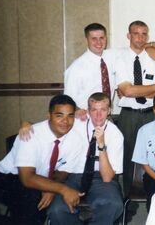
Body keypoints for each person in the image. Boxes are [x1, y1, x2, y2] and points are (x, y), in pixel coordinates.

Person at [0, 95, 84, 225]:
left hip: (41, 179)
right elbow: (26, 178)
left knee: (47, 202)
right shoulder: (31, 135)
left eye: (70, 116)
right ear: (49, 115)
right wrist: (62, 189)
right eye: (59, 115)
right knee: (33, 200)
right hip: (9, 178)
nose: (65, 121)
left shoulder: (76, 139)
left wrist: (51, 189)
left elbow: (62, 172)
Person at [64, 23, 155, 121]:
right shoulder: (76, 67)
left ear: (106, 38)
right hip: (86, 118)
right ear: (86, 40)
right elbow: (67, 99)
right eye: (94, 39)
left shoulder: (112, 55)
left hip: (107, 117)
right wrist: (77, 110)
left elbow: (140, 46)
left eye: (101, 38)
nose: (99, 42)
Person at [46, 93, 124, 225]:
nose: (98, 115)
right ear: (88, 111)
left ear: (109, 111)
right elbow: (50, 124)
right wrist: (27, 124)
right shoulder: (75, 123)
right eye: (94, 110)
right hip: (72, 175)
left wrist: (101, 146)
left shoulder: (116, 135)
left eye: (103, 110)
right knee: (57, 209)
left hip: (100, 177)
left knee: (113, 204)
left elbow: (107, 178)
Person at [115, 20, 155, 195]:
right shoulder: (120, 58)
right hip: (129, 116)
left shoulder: (154, 58)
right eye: (136, 33)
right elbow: (126, 90)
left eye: (144, 34)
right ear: (128, 36)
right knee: (128, 157)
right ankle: (127, 200)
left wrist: (134, 91)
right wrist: (151, 88)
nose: (140, 37)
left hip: (151, 115)